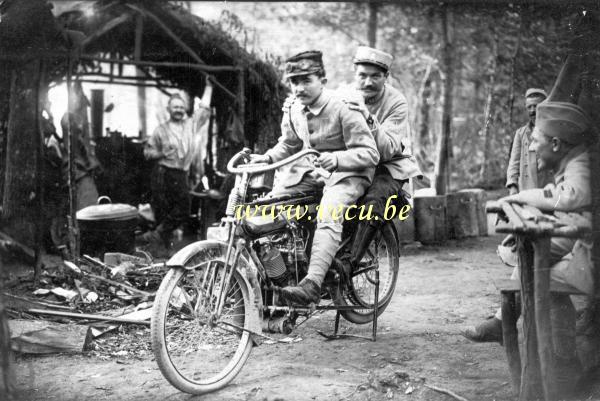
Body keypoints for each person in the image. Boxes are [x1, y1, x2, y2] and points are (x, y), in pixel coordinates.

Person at [464, 100, 594, 388]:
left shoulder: (584, 165)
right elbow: (559, 195)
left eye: (536, 141)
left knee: (535, 277)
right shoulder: (575, 162)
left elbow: (573, 197)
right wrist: (521, 201)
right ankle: (562, 362)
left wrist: (523, 201)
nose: (532, 147)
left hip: (590, 261)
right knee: (533, 260)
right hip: (584, 252)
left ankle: (550, 372)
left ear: (557, 144)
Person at [251, 50, 379, 304]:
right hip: (315, 173)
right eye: (294, 81)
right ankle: (281, 277)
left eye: (306, 80)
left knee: (329, 211)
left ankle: (311, 284)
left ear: (323, 79)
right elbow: (288, 144)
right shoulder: (294, 109)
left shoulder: (343, 108)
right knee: (271, 206)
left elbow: (370, 153)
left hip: (350, 174)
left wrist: (338, 159)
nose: (299, 88)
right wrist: (266, 159)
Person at [343, 46, 422, 263]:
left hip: (388, 166)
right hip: (354, 163)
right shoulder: (342, 95)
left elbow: (387, 149)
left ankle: (350, 264)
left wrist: (367, 116)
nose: (368, 82)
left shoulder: (396, 102)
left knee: (374, 199)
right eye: (363, 75)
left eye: (375, 76)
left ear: (386, 77)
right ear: (354, 74)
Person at [143, 80, 213, 248]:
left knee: (183, 210)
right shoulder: (161, 130)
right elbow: (147, 153)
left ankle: (157, 235)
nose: (179, 110)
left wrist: (209, 87)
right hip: (163, 173)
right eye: (175, 107)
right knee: (163, 211)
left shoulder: (191, 124)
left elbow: (203, 110)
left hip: (180, 174)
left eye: (181, 107)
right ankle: (162, 250)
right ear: (168, 109)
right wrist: (161, 153)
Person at [506, 88, 551, 195]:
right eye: (529, 107)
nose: (532, 110)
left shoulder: (553, 131)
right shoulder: (520, 134)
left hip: (549, 191)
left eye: (536, 106)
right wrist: (512, 186)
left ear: (544, 107)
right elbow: (514, 163)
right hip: (526, 191)